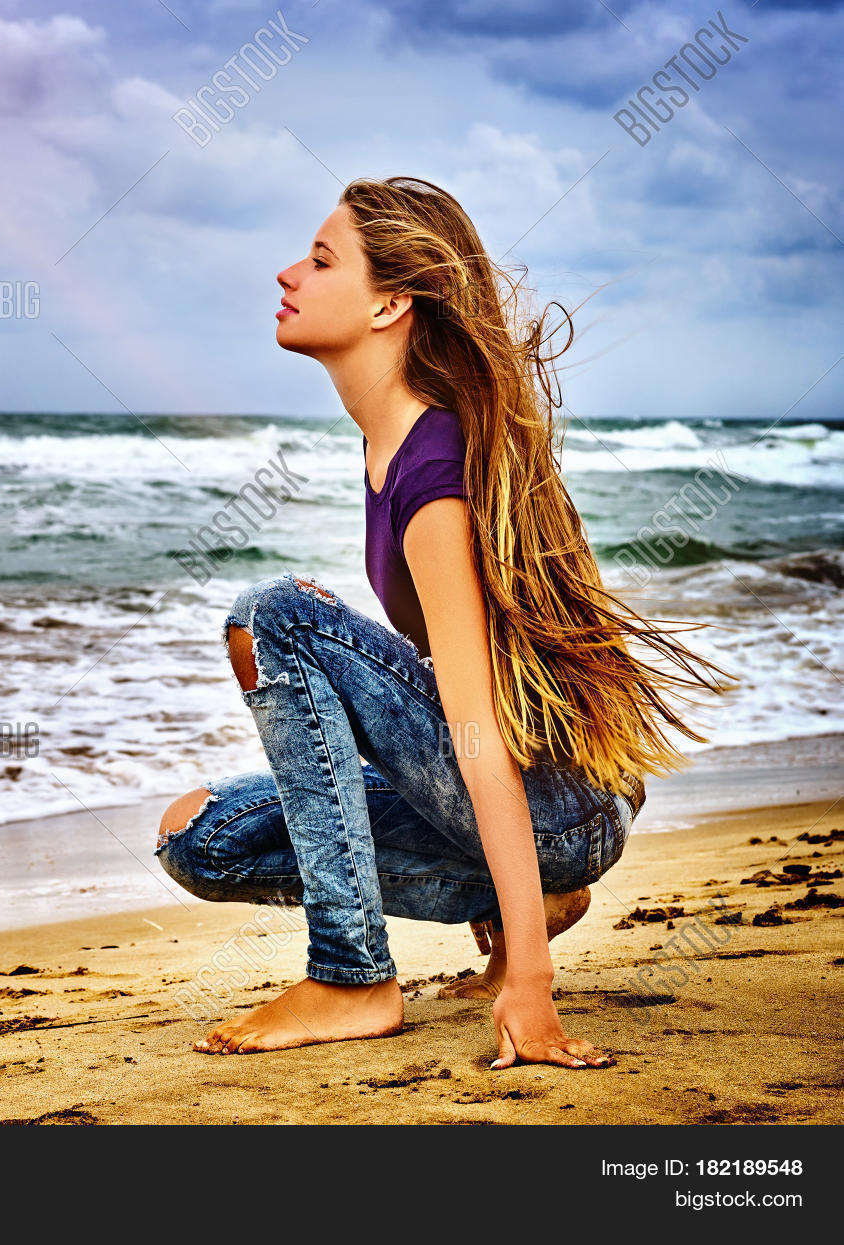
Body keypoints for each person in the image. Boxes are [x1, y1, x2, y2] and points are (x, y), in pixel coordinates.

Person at [156, 177, 737, 1068]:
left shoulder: (434, 467)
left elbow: (472, 725)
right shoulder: (385, 437)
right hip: (532, 807)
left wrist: (529, 983)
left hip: (560, 801)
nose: (287, 274)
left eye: (319, 260)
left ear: (391, 301)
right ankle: (533, 897)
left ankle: (353, 976)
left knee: (272, 617)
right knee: (199, 837)